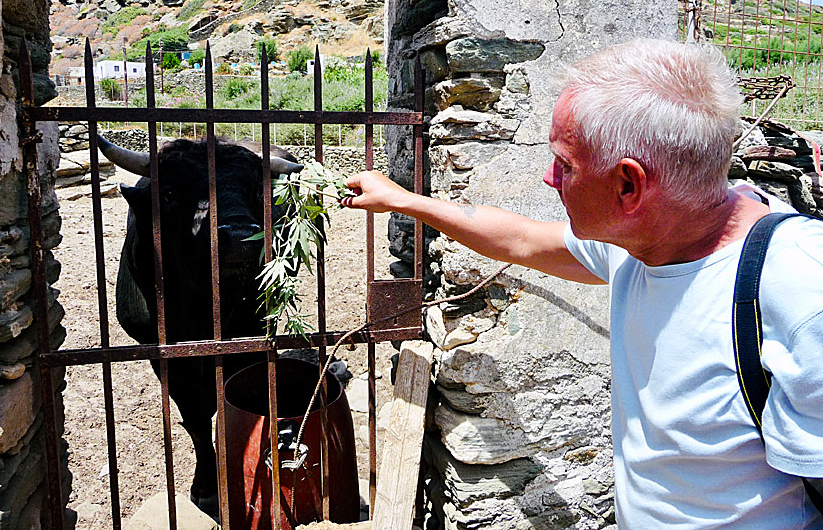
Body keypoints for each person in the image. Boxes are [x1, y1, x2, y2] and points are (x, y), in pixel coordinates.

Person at [341, 39, 823, 528]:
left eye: (566, 164)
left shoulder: (799, 291)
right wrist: (404, 201)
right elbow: (523, 240)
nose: (550, 179)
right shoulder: (639, 241)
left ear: (628, 186)